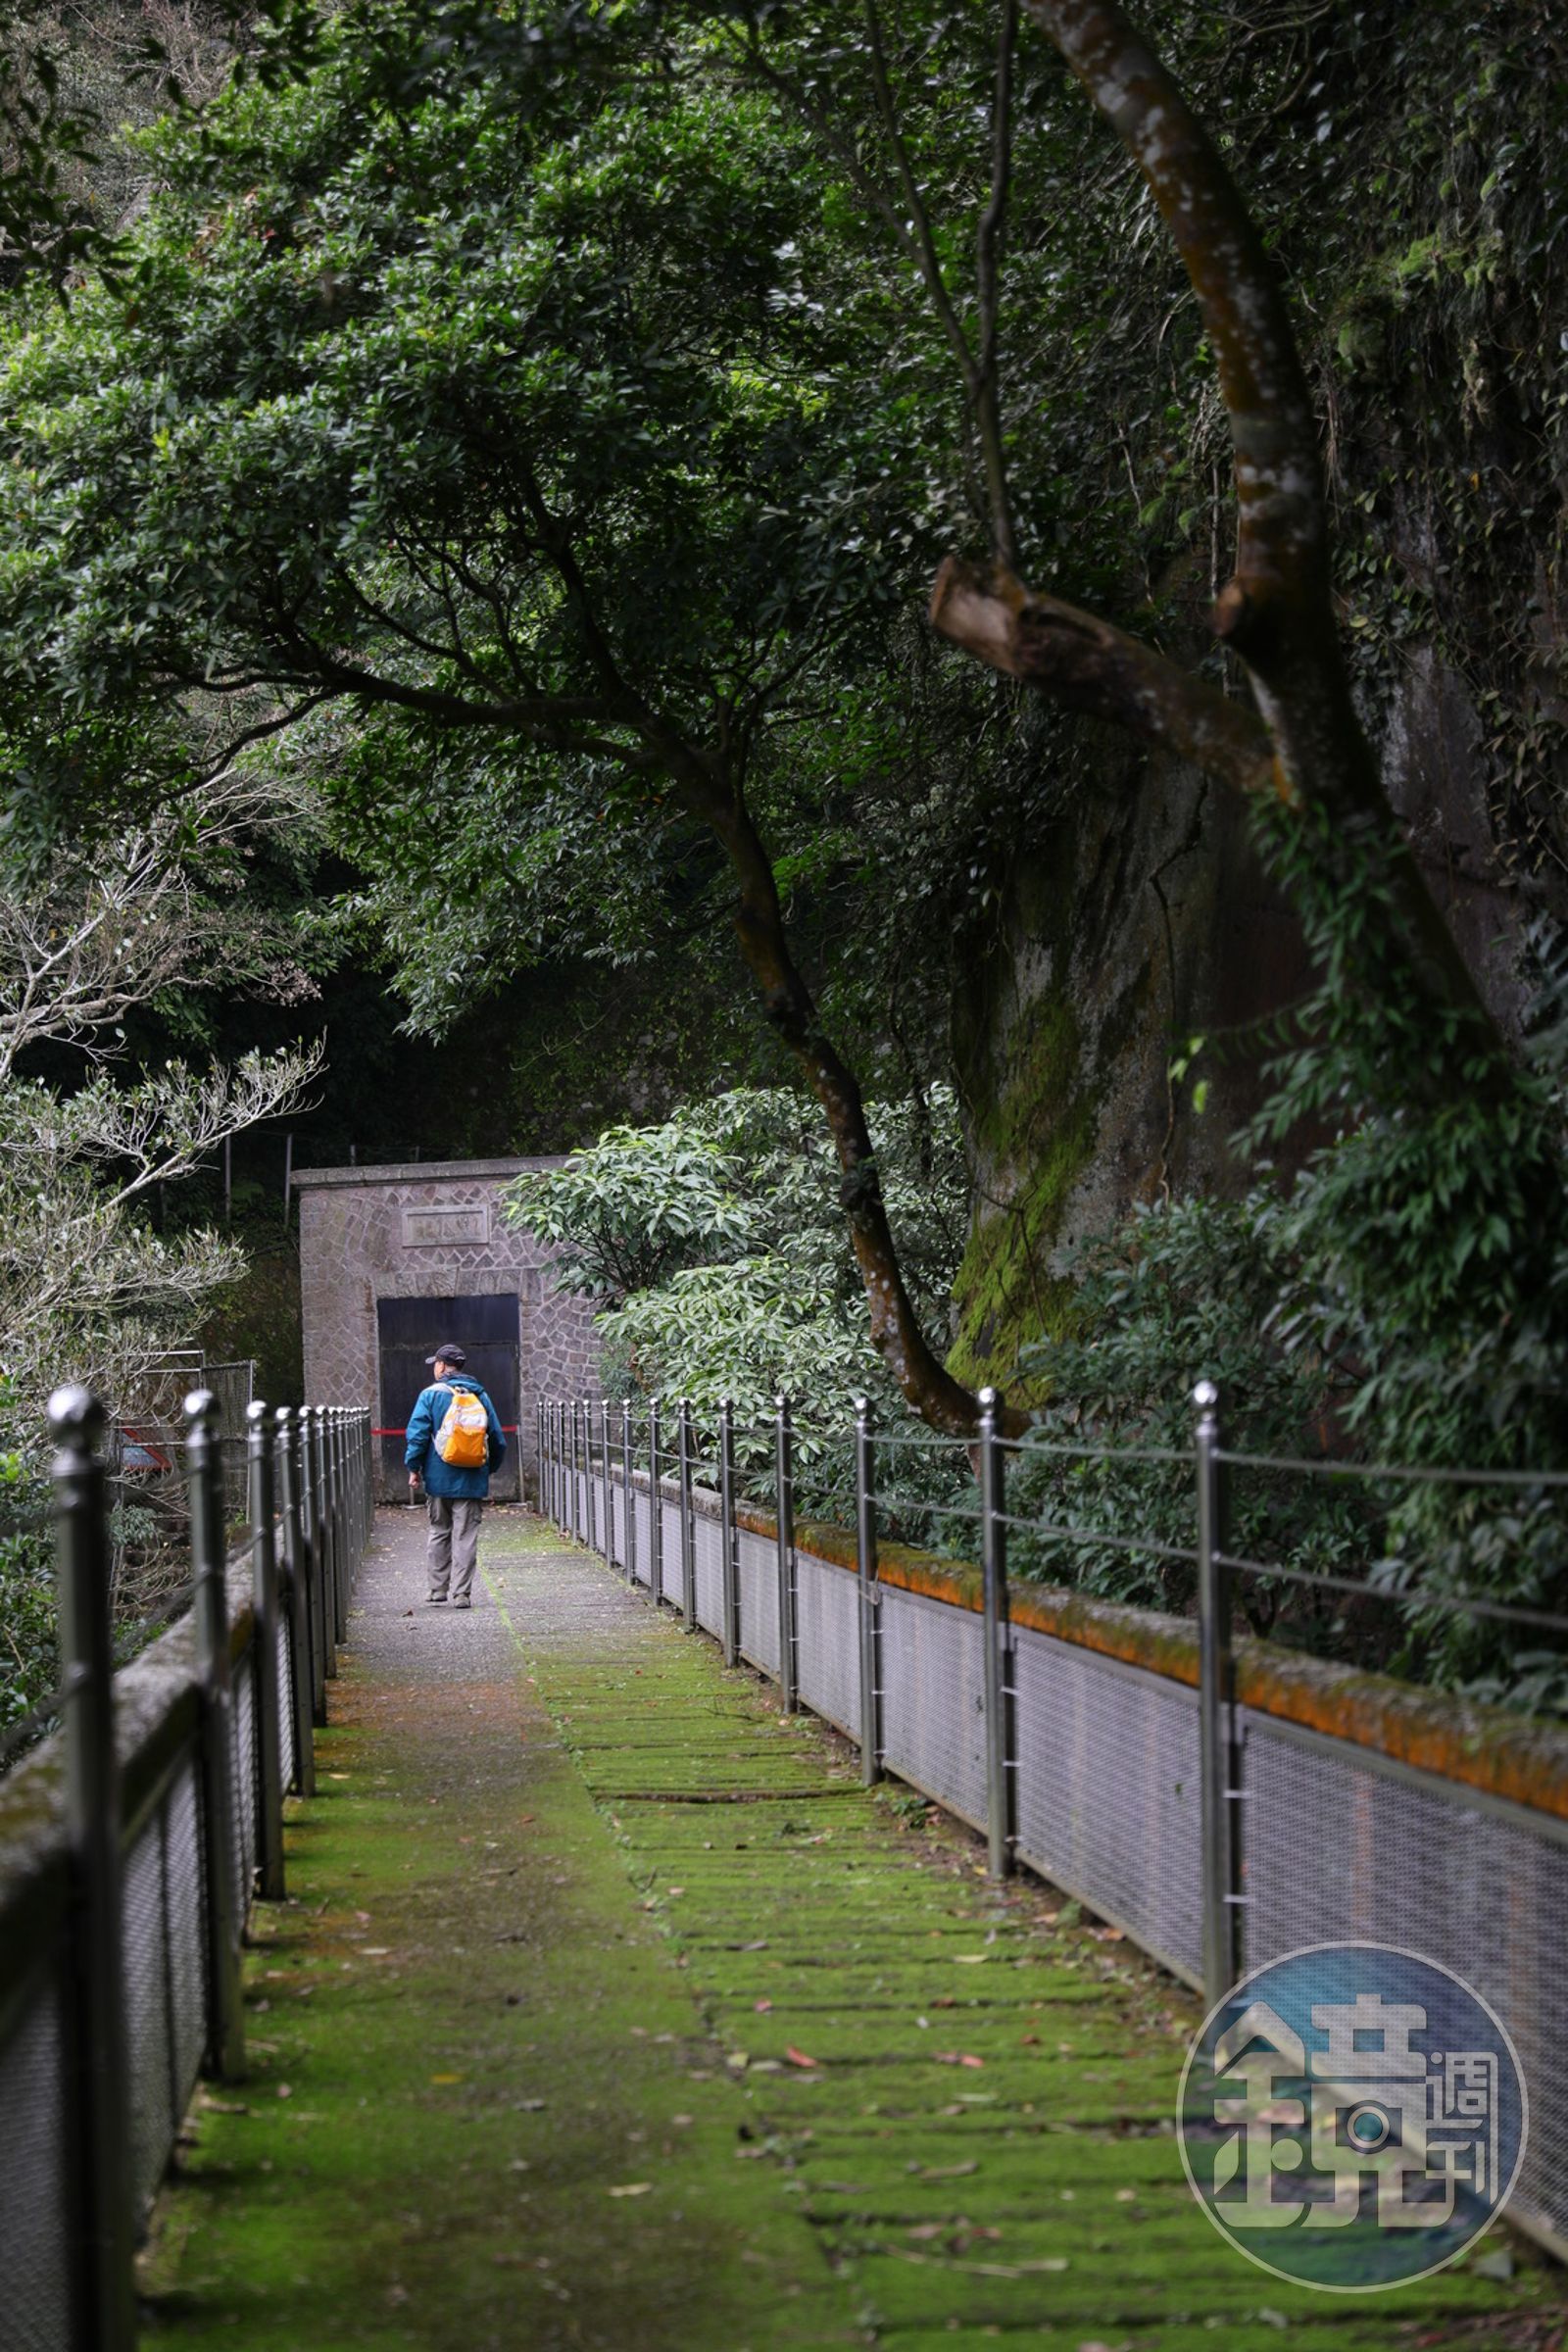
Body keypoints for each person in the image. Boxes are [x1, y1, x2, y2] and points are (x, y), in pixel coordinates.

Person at [404, 1344, 506, 1609]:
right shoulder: (480, 1395)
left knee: (439, 1530)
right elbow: (497, 1438)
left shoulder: (430, 1395)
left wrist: (413, 1468)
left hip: (438, 1479)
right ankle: (462, 1594)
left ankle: (438, 1590)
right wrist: (487, 1469)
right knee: (465, 1535)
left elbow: (417, 1436)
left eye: (435, 1364)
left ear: (440, 1366)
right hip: (472, 1479)